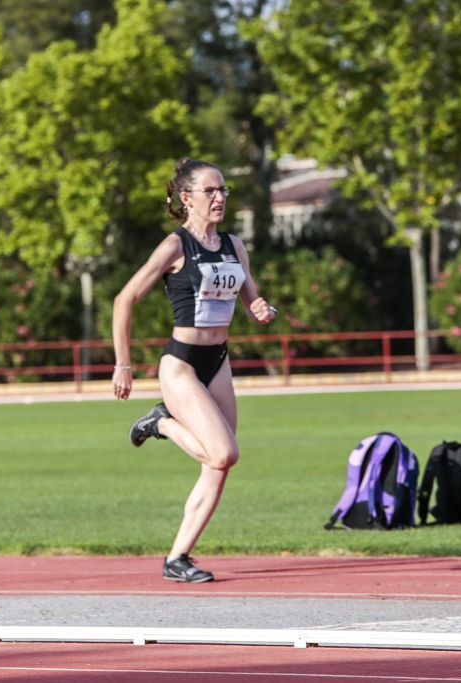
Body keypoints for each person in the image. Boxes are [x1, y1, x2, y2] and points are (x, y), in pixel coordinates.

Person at [111, 158, 276, 583]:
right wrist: (123, 364)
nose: (220, 198)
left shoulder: (234, 246)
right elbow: (123, 299)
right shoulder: (174, 246)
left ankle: (178, 557)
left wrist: (259, 307)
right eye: (211, 191)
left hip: (218, 361)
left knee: (217, 467)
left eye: (223, 190)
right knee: (224, 452)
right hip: (181, 364)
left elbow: (251, 296)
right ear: (187, 199)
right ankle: (161, 421)